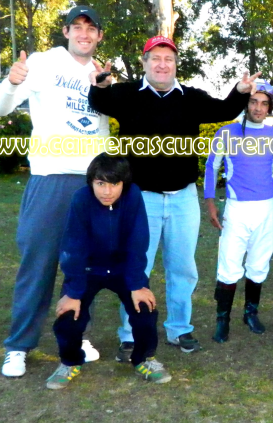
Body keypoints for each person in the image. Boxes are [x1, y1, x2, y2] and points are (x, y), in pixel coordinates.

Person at [88, 36, 259, 360]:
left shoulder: (191, 98)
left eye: (168, 58)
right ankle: (130, 334)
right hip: (141, 199)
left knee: (183, 268)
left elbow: (223, 109)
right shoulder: (126, 95)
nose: (162, 64)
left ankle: (179, 328)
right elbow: (100, 102)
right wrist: (100, 85)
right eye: (155, 58)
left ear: (175, 64)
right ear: (144, 63)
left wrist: (240, 91)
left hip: (183, 198)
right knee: (137, 267)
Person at [0, 5, 109, 377]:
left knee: (82, 270)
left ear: (99, 36)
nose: (84, 34)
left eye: (91, 28)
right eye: (77, 27)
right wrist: (12, 82)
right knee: (38, 266)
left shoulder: (101, 74)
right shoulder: (43, 63)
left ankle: (76, 337)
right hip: (51, 179)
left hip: (91, 186)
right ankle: (18, 346)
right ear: (66, 31)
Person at [46, 153, 172, 389]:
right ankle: (70, 362)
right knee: (68, 316)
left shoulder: (133, 196)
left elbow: (138, 240)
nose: (107, 191)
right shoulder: (81, 199)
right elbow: (73, 245)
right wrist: (74, 292)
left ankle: (144, 358)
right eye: (100, 183)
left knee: (145, 310)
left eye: (114, 184)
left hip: (123, 269)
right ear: (91, 182)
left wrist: (137, 284)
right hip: (89, 269)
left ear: (124, 183)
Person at [204, 80, 273, 343]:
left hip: (266, 208)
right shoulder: (227, 132)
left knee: (259, 263)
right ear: (246, 103)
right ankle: (222, 319)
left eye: (264, 104)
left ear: (269, 107)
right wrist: (210, 202)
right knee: (229, 265)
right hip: (236, 208)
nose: (258, 108)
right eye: (253, 102)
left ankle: (250, 312)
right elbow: (212, 166)